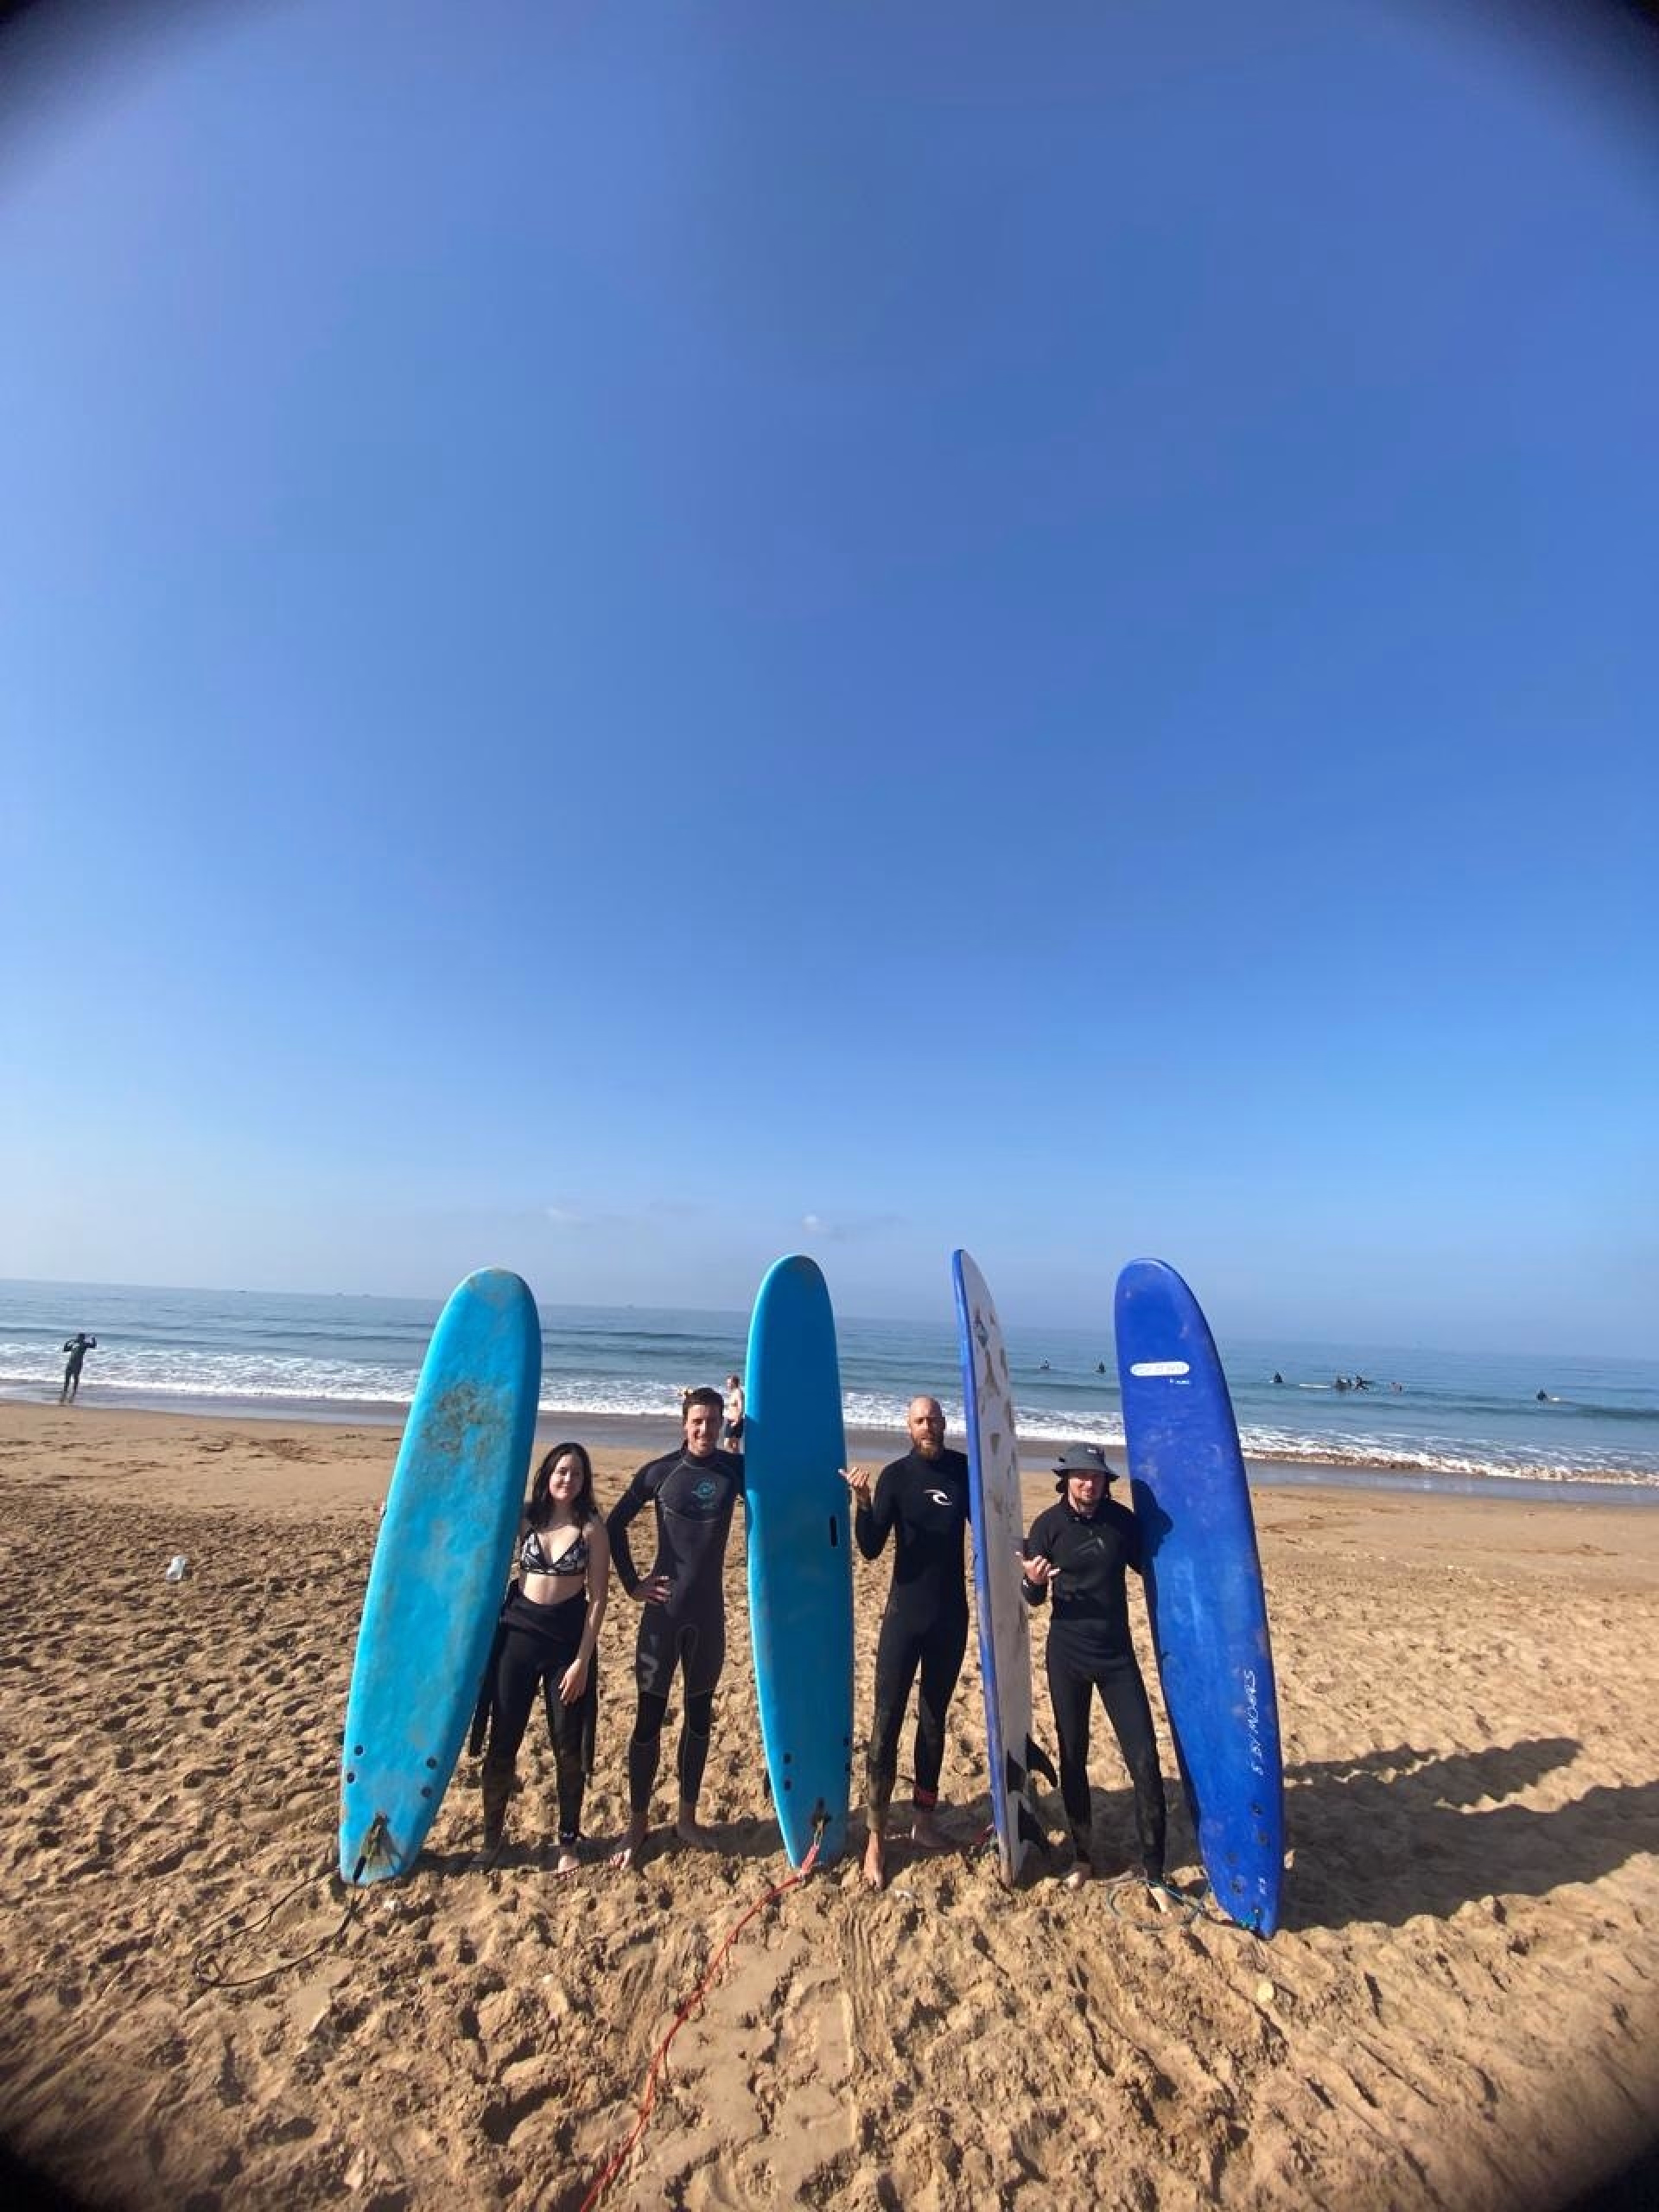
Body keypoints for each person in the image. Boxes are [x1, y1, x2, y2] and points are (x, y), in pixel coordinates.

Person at [606, 1385, 746, 1868]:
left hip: (708, 1615)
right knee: (649, 1718)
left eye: (713, 1421)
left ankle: (687, 1818)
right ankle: (637, 1824)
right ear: (684, 1424)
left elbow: (782, 1476)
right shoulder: (660, 1472)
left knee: (700, 1716)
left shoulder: (735, 1471)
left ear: (723, 1424)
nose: (705, 1429)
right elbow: (614, 1525)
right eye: (697, 1421)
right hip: (662, 1616)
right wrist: (632, 1584)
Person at [1021, 1443, 1168, 1895]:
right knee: (1073, 1756)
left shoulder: (1122, 1523)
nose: (1089, 1484)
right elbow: (1033, 1598)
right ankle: (1082, 1856)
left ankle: (1155, 1871)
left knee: (1145, 1759)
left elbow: (1155, 1569)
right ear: (1066, 1479)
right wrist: (1032, 1581)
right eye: (1081, 1476)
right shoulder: (1047, 1526)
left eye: (1097, 1477)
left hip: (1117, 1657)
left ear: (1106, 1482)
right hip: (1067, 1655)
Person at [842, 1395, 971, 1891]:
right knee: (886, 1723)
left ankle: (923, 1820)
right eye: (920, 1420)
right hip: (904, 1618)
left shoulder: (964, 1471)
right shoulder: (895, 1477)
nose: (928, 1427)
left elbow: (990, 1524)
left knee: (934, 1722)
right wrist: (863, 1502)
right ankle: (876, 1838)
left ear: (944, 1423)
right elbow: (871, 1548)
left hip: (950, 1617)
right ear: (908, 1427)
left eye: (934, 1419)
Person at [477, 1442, 610, 1872]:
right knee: (503, 1742)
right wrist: (396, 1513)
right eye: (561, 1471)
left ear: (584, 1480)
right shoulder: (525, 1518)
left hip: (565, 1649)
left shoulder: (591, 1528)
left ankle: (568, 1842)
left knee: (568, 1748)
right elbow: (470, 1520)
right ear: (547, 1475)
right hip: (516, 1641)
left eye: (576, 1473)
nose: (567, 1479)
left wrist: (582, 1662)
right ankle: (491, 1840)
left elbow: (598, 1599)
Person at [60, 1333, 97, 1402]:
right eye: (77, 1337)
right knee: (67, 1379)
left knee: (75, 1378)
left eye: (79, 1337)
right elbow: (65, 1350)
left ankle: (73, 1394)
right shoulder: (74, 1344)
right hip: (70, 1363)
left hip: (77, 1364)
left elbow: (94, 1346)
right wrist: (67, 1342)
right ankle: (64, 1394)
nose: (77, 1338)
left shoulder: (84, 1344)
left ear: (82, 1338)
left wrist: (93, 1338)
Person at [721, 1373, 746, 1454]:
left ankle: (734, 1458)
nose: (727, 1385)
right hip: (732, 1420)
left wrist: (736, 1421)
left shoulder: (738, 1392)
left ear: (734, 1383)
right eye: (727, 1383)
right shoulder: (733, 1393)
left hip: (735, 1421)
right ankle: (737, 1460)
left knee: (727, 1444)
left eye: (729, 1383)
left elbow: (741, 1407)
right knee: (735, 1445)